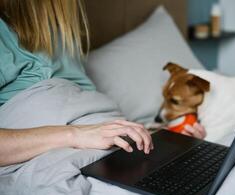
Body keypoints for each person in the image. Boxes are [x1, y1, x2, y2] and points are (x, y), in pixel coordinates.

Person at [0, 0, 206, 167]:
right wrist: (76, 135)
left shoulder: (62, 35)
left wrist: (160, 138)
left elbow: (97, 121)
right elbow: (87, 130)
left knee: (204, 170)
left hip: (117, 148)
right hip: (63, 153)